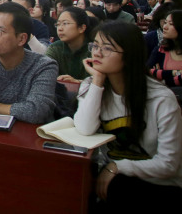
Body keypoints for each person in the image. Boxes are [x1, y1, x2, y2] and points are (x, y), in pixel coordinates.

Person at [75, 22, 182, 206]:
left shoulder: (161, 98)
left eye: (107, 48)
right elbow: (85, 128)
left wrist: (118, 166)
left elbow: (168, 164)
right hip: (113, 178)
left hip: (159, 183)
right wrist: (98, 81)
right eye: (95, 46)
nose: (97, 53)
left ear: (130, 55)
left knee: (119, 188)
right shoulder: (91, 86)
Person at [46, 6, 92, 83]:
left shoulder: (93, 49)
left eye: (65, 23)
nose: (60, 28)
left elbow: (101, 81)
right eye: (58, 24)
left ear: (81, 28)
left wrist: (77, 82)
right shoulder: (55, 47)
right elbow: (44, 72)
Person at [147, 10, 182, 88]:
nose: (165, 27)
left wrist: (162, 78)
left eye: (171, 24)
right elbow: (147, 72)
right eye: (165, 22)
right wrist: (175, 72)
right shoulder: (160, 50)